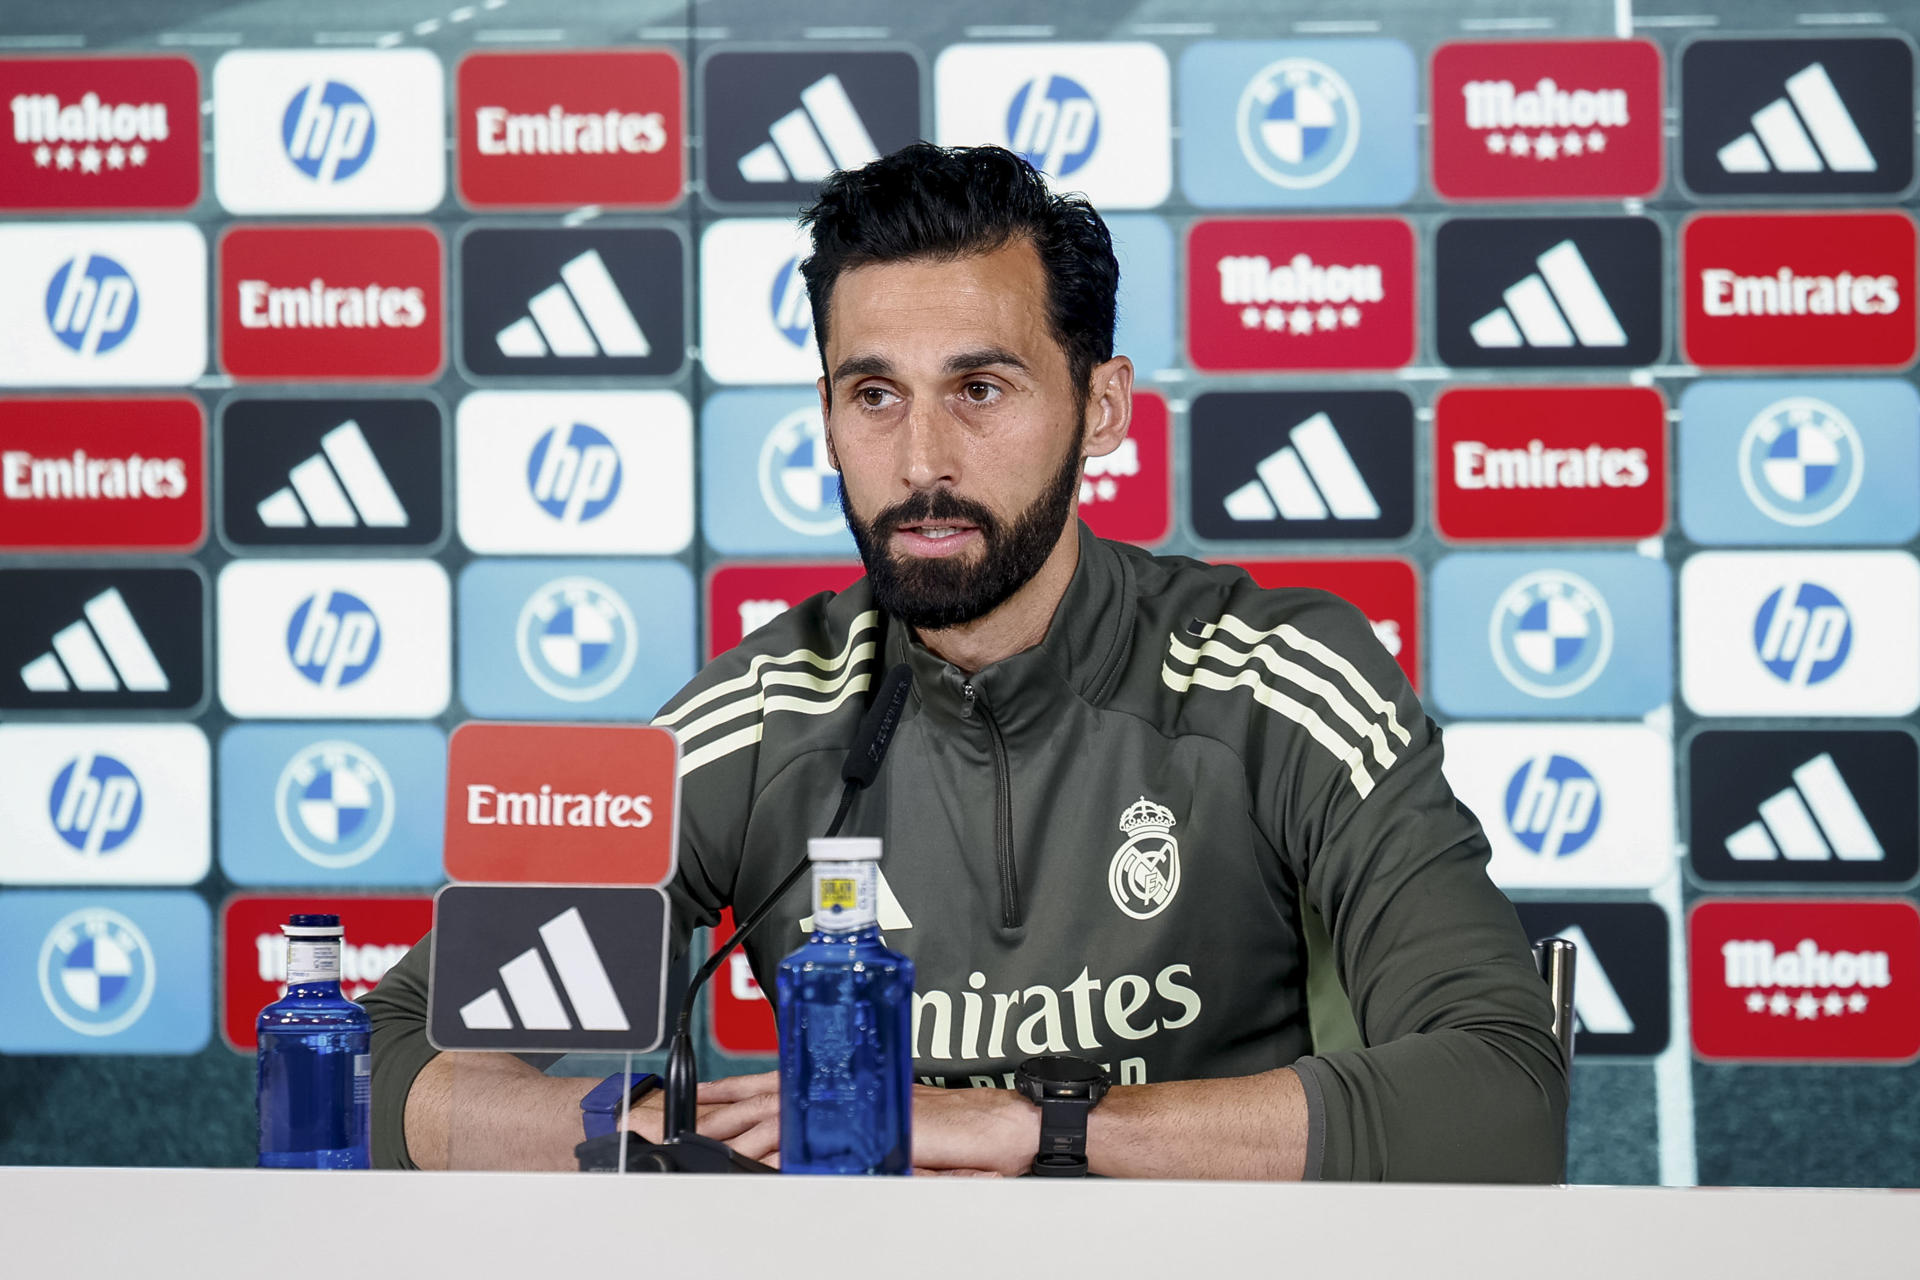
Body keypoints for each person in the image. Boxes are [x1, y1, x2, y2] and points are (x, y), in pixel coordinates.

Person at [365, 142, 1566, 1181]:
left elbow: (1503, 1091)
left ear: (1102, 407)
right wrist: (643, 1130)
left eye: (980, 388)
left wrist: (1032, 1128)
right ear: (827, 415)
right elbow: (383, 1057)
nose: (921, 459)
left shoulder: (1279, 677)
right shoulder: (762, 717)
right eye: (873, 394)